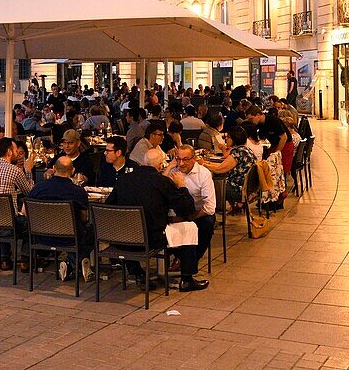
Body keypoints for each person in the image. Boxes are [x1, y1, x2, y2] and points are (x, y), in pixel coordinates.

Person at [106, 149, 203, 292]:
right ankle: (187, 279)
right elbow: (186, 209)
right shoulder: (162, 182)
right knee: (189, 227)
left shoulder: (123, 179)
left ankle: (137, 273)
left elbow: (109, 207)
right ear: (160, 165)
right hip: (151, 239)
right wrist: (182, 186)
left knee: (133, 227)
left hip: (122, 239)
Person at [28, 155, 93, 281]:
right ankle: (73, 263)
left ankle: (70, 264)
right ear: (73, 171)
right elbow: (84, 218)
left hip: (41, 236)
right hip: (70, 238)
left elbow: (25, 212)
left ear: (53, 168)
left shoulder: (39, 188)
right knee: (93, 229)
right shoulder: (78, 192)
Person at [0, 138, 37, 271]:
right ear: (9, 152)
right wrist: (28, 170)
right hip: (6, 226)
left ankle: (4, 259)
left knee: (1, 213)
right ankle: (25, 260)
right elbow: (29, 193)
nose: (17, 154)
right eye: (16, 151)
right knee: (32, 222)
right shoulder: (14, 170)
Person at [169, 144, 215, 286]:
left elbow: (210, 207)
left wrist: (190, 217)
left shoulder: (203, 174)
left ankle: (188, 264)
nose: (181, 163)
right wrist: (169, 167)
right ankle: (182, 261)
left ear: (194, 159)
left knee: (207, 223)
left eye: (185, 159)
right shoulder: (174, 171)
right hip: (175, 214)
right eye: (178, 159)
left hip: (198, 213)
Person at [199, 125, 258, 208]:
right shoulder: (245, 150)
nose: (226, 139)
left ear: (235, 138)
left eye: (228, 137)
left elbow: (219, 169)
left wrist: (202, 164)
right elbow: (223, 166)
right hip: (247, 188)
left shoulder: (238, 152)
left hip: (238, 190)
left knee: (206, 183)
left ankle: (210, 209)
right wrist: (206, 163)